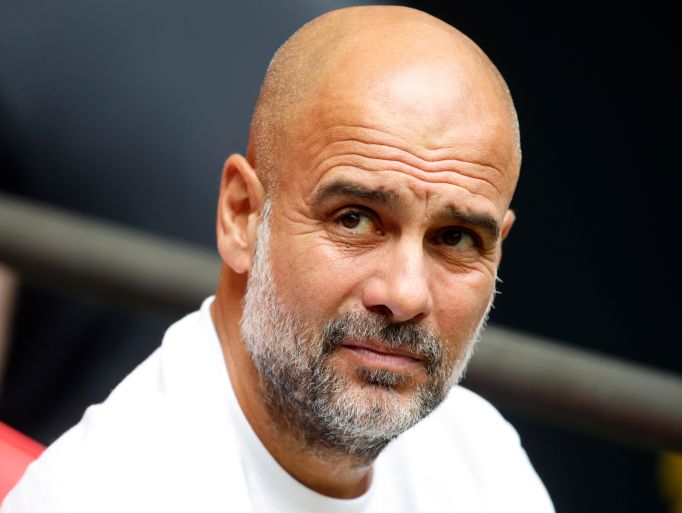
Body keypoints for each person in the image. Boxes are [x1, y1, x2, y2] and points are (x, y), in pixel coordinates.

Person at [2, 6, 554, 512]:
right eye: (355, 219)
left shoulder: (483, 462)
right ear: (242, 216)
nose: (406, 293)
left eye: (455, 239)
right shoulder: (102, 496)